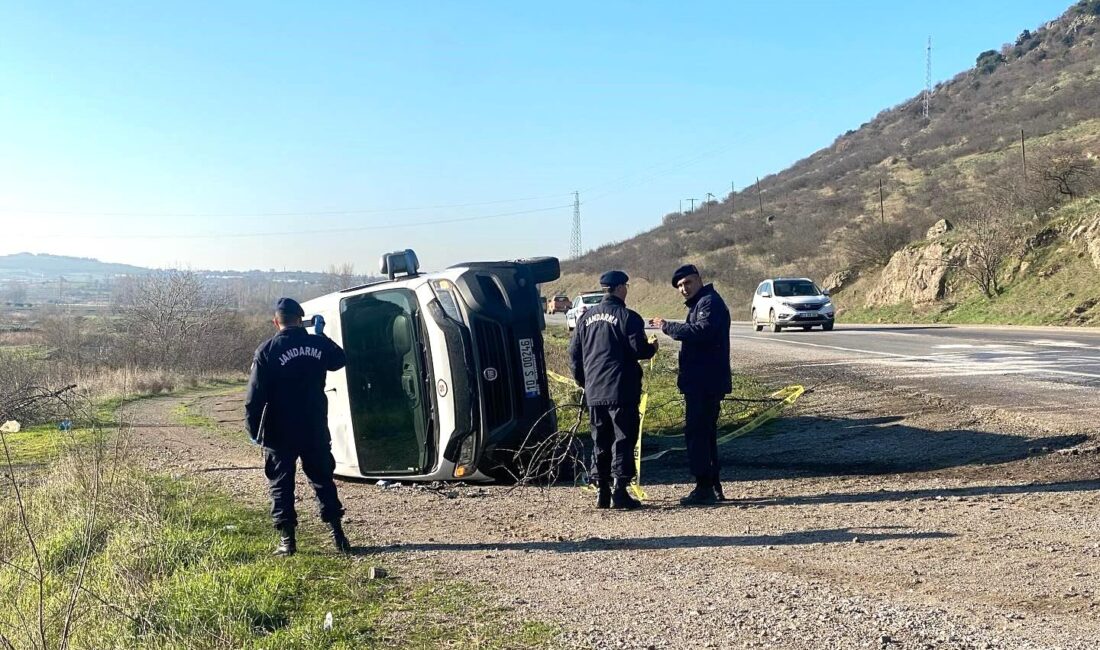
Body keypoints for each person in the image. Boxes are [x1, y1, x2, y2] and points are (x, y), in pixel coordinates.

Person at [245, 297, 351, 555]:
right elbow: (340, 359)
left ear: (275, 322)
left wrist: (252, 429)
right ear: (300, 320)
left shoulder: (267, 350)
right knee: (322, 478)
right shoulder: (316, 343)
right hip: (313, 424)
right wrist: (320, 336)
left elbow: (254, 395)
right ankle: (338, 536)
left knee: (281, 482)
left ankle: (287, 542)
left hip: (279, 429)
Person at [568, 270, 658, 509]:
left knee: (600, 439)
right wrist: (652, 348)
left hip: (595, 391)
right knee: (622, 438)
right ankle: (620, 490)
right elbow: (638, 349)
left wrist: (583, 382)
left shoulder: (584, 319)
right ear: (620, 288)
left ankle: (602, 491)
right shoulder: (629, 317)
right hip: (621, 389)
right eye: (626, 286)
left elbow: (574, 355)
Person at [651, 265, 732, 506]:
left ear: (698, 280)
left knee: (697, 434)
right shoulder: (701, 304)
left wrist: (667, 327)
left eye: (687, 283)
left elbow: (701, 331)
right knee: (705, 434)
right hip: (701, 381)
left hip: (704, 382)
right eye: (680, 286)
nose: (684, 289)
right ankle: (712, 484)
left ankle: (704, 487)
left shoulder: (709, 303)